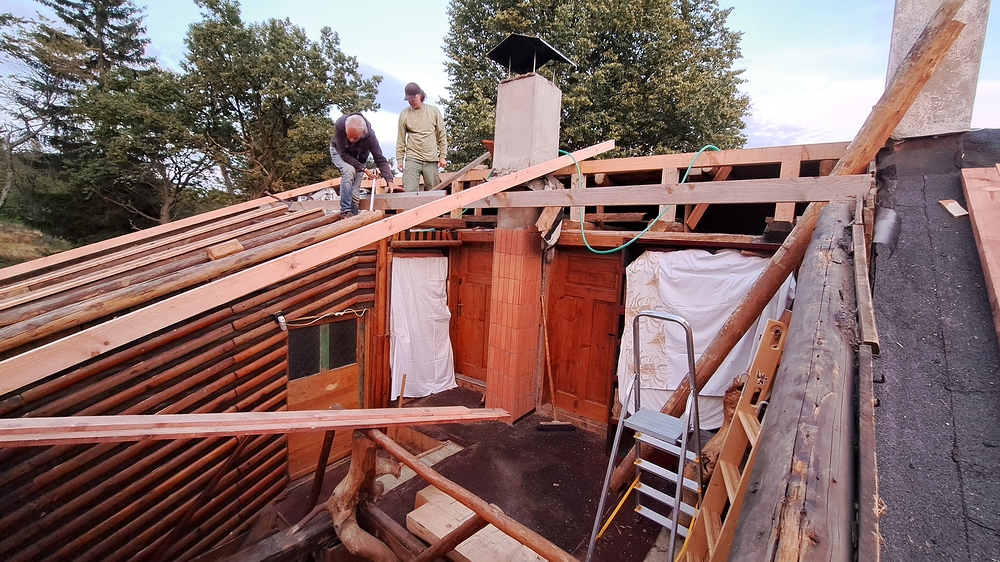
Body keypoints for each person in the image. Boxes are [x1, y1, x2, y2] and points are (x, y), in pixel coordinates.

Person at [330, 113, 395, 218]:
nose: (351, 140)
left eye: (355, 138)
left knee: (355, 189)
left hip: (359, 158)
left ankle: (354, 215)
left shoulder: (370, 137)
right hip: (340, 152)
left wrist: (390, 181)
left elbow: (380, 160)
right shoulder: (340, 125)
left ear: (363, 134)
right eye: (348, 136)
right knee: (349, 171)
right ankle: (345, 211)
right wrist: (363, 168)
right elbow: (344, 153)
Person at [396, 82, 447, 192]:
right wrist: (399, 159)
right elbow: (401, 139)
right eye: (408, 100)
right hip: (412, 158)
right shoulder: (404, 114)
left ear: (420, 95)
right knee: (409, 192)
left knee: (434, 193)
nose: (411, 102)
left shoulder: (433, 111)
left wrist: (442, 155)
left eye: (413, 99)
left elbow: (441, 135)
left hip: (431, 159)